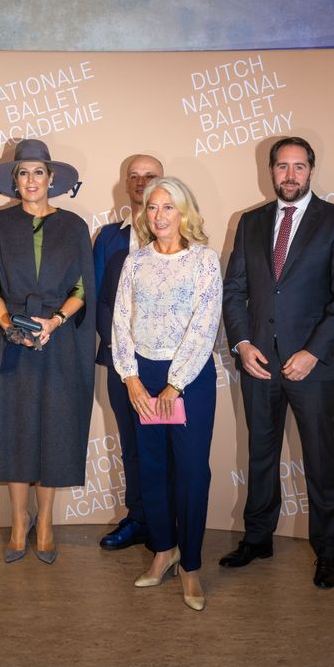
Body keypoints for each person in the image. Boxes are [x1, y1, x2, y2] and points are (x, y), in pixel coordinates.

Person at [219, 136, 334, 588]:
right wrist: (242, 344)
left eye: (299, 167)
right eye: (282, 167)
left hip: (314, 368)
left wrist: (312, 352)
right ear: (270, 171)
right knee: (261, 455)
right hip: (258, 363)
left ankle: (327, 551)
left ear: (311, 170)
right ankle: (258, 538)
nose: (290, 175)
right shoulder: (250, 222)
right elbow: (235, 290)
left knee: (320, 461)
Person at [0, 138, 95, 564]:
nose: (30, 180)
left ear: (52, 178)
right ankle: (19, 522)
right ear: (14, 180)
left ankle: (45, 522)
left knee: (55, 432)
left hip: (58, 343)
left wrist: (55, 322)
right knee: (16, 432)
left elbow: (83, 287)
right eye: (23, 173)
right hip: (14, 344)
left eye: (38, 172)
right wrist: (9, 326)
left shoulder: (74, 226)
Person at [112, 176, 222, 611]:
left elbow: (205, 323)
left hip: (188, 380)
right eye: (152, 208)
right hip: (142, 376)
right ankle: (163, 552)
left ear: (184, 213)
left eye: (168, 208)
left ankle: (190, 566)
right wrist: (131, 377)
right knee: (152, 471)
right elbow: (121, 320)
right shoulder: (135, 261)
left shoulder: (204, 261)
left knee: (192, 473)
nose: (159, 216)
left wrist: (175, 383)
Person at [93, 154, 163, 551]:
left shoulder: (182, 237)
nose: (140, 182)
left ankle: (165, 525)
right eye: (133, 177)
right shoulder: (108, 237)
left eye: (149, 176)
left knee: (166, 447)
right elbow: (101, 300)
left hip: (168, 367)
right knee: (133, 446)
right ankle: (138, 518)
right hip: (122, 366)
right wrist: (124, 356)